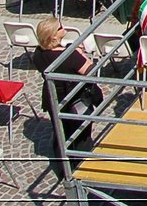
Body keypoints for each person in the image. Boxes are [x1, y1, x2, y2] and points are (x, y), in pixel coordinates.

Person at [32, 16, 102, 176]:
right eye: (60, 27)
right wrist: (80, 54)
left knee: (60, 131)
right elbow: (91, 71)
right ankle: (81, 167)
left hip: (53, 97)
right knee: (80, 134)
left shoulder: (38, 54)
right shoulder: (70, 56)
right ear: (53, 37)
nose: (63, 27)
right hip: (75, 99)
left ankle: (63, 167)